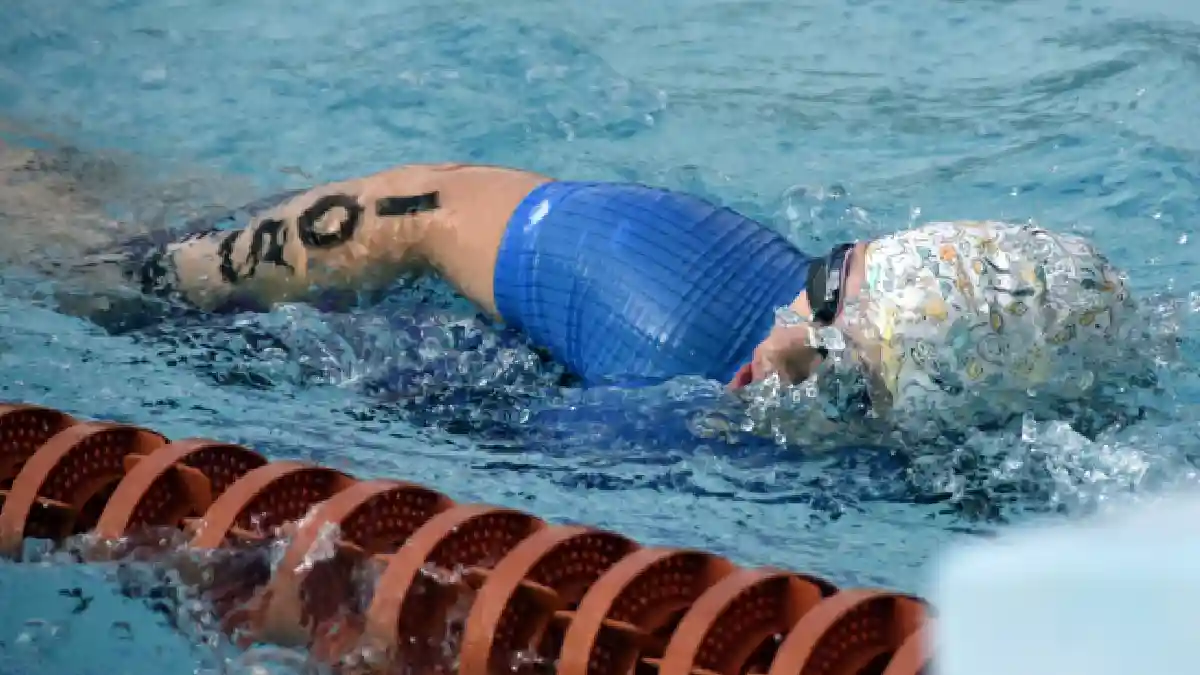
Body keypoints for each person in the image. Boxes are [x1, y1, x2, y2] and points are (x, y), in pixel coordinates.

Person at [11, 151, 1140, 421]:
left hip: (517, 368)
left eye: (851, 390)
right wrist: (177, 277)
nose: (787, 367)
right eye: (825, 316)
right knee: (84, 249)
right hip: (401, 298)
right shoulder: (661, 290)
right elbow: (427, 206)